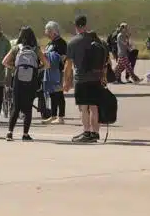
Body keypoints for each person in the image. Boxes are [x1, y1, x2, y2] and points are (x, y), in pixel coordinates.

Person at [64, 14, 107, 143]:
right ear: (86, 24)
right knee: (94, 107)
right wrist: (103, 76)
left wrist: (66, 81)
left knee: (84, 108)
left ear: (76, 26)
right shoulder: (97, 40)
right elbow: (105, 60)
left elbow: (68, 65)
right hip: (96, 77)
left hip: (81, 78)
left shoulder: (73, 42)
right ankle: (95, 133)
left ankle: (86, 132)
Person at [3, 26, 46, 140]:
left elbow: (4, 62)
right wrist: (37, 69)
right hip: (31, 81)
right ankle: (25, 134)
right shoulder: (36, 49)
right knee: (28, 108)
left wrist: (15, 68)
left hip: (18, 80)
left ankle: (9, 133)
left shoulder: (16, 48)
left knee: (15, 107)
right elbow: (47, 64)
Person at [42, 37, 66, 123]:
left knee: (59, 94)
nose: (45, 32)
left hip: (57, 71)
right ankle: (53, 115)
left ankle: (61, 117)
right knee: (52, 94)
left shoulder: (61, 42)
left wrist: (52, 56)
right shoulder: (50, 42)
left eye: (47, 30)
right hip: (49, 71)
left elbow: (64, 57)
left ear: (52, 31)